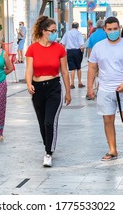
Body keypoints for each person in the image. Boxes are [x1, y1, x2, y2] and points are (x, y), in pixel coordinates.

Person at [87, 16, 123, 161]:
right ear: (104, 29)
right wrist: (90, 88)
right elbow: (92, 67)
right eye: (109, 29)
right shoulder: (99, 47)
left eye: (115, 29)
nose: (112, 32)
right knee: (108, 119)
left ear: (119, 28)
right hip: (105, 88)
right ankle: (112, 149)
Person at [25, 16, 71, 167]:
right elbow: (29, 69)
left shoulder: (59, 48)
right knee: (41, 123)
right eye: (52, 31)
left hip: (53, 87)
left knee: (49, 122)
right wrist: (28, 83)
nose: (54, 34)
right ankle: (48, 145)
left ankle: (48, 152)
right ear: (44, 31)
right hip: (37, 89)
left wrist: (68, 91)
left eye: (55, 31)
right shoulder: (32, 48)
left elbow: (65, 71)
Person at [60, 22, 85, 89]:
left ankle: (72, 83)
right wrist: (82, 50)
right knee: (78, 67)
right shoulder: (79, 33)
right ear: (78, 27)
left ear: (71, 26)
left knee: (72, 68)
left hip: (69, 52)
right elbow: (82, 44)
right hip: (77, 51)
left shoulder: (67, 33)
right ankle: (79, 83)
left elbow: (62, 43)